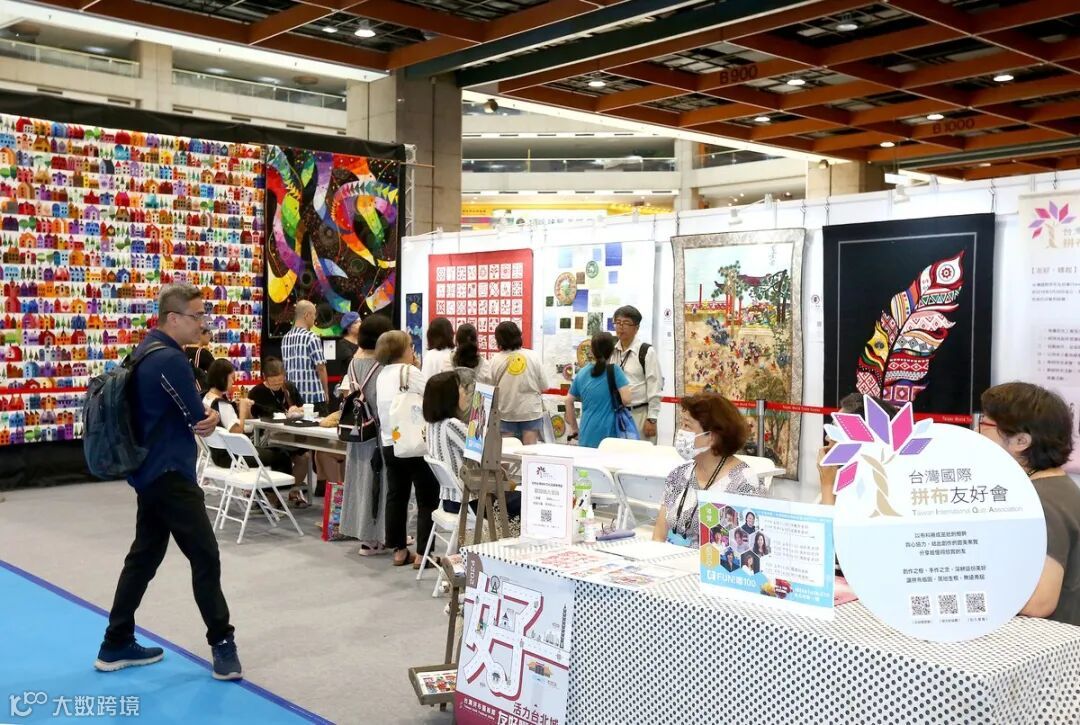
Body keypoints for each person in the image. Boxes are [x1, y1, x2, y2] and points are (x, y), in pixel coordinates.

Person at [95, 284, 241, 681]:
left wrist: (202, 418)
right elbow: (198, 418)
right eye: (197, 316)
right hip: (170, 473)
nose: (202, 324)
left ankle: (115, 641)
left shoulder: (143, 350)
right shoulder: (171, 359)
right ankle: (222, 641)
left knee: (144, 557)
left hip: (148, 472)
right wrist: (210, 418)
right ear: (173, 318)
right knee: (205, 556)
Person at [980, 382, 1080, 626]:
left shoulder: (1041, 503)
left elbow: (1039, 602)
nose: (976, 432)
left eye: (984, 424)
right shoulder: (1058, 487)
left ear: (1021, 441)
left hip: (1047, 644)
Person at [653, 393, 765, 548]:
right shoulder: (678, 475)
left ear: (711, 437)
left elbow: (742, 547)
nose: (681, 432)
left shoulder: (744, 483)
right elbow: (659, 535)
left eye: (687, 426)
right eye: (682, 424)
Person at [203, 358, 309, 508]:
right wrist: (242, 410)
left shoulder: (207, 399)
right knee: (281, 456)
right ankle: (272, 497)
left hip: (219, 453)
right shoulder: (222, 404)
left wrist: (244, 412)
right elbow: (237, 432)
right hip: (232, 456)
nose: (233, 382)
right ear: (222, 379)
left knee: (287, 454)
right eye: (231, 378)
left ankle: (270, 497)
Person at [374, 330, 439, 568]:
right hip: (415, 444)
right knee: (427, 498)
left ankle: (399, 550)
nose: (413, 350)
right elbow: (432, 397)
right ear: (402, 349)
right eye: (410, 345)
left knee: (396, 496)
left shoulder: (382, 375)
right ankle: (423, 554)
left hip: (390, 442)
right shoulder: (410, 372)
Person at [423, 370, 521, 522]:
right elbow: (483, 453)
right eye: (460, 388)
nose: (465, 393)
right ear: (450, 396)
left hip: (449, 500)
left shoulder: (432, 425)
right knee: (525, 499)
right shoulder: (451, 425)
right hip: (469, 501)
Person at [338, 313, 393, 555]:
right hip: (378, 433)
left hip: (357, 432)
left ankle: (364, 533)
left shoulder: (353, 363)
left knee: (358, 483)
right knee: (379, 483)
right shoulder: (383, 366)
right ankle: (376, 537)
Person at [818, 393, 899, 505]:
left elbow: (830, 517)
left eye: (835, 431)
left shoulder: (874, 493)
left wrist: (827, 484)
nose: (827, 438)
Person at [564, 333, 631, 448]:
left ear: (592, 351)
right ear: (612, 351)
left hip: (586, 433)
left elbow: (568, 401)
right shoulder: (615, 371)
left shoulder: (582, 373)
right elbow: (627, 400)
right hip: (609, 435)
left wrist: (574, 428)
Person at [490, 322, 548, 445]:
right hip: (530, 410)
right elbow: (544, 386)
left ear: (498, 339)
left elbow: (490, 388)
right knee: (529, 450)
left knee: (507, 450)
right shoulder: (533, 356)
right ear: (518, 335)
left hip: (506, 411)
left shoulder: (495, 360)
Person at [610, 305, 662, 442]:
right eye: (618, 322)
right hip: (616, 413)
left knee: (641, 453)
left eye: (626, 323)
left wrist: (652, 419)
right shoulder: (611, 351)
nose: (621, 327)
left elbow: (655, 386)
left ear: (636, 328)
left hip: (639, 414)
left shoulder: (646, 351)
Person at [282, 300, 330, 410]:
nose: (314, 319)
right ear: (307, 315)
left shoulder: (285, 338)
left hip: (294, 399)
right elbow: (321, 367)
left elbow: (285, 371)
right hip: (314, 397)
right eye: (314, 315)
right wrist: (326, 392)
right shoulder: (312, 337)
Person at [331, 310, 361, 381]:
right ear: (348, 327)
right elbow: (352, 363)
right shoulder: (342, 344)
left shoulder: (362, 341)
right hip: (349, 381)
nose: (360, 324)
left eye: (360, 321)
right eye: (356, 322)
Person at [185, 328, 214, 392]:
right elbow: (215, 375)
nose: (210, 336)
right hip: (201, 392)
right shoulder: (203, 353)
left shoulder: (184, 350)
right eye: (209, 333)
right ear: (201, 333)